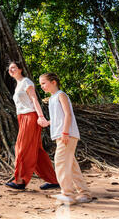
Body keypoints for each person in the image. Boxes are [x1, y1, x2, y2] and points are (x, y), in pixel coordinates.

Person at [5, 61, 60, 190]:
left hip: (30, 116)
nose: (10, 70)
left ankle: (20, 180)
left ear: (20, 69)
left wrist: (41, 116)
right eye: (9, 69)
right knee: (37, 150)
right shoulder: (18, 84)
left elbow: (34, 99)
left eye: (13, 68)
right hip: (22, 117)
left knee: (22, 148)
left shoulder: (26, 82)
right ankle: (53, 180)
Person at [39, 72, 92, 204]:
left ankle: (67, 194)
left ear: (53, 82)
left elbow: (68, 114)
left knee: (60, 161)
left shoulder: (61, 95)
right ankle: (84, 193)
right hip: (61, 135)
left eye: (44, 83)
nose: (42, 86)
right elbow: (59, 117)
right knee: (72, 165)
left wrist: (65, 133)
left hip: (66, 135)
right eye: (40, 84)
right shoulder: (52, 99)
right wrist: (48, 123)